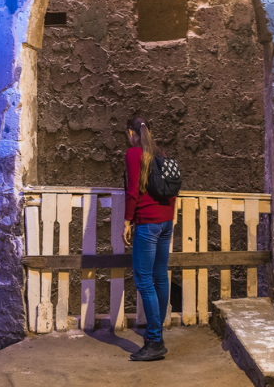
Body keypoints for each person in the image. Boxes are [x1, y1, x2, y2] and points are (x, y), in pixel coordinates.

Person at [123, 116, 175, 362]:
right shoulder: (160, 153)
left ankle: (155, 340)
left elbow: (133, 190)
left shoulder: (134, 154)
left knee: (143, 280)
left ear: (131, 133)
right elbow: (170, 191)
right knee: (160, 276)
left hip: (148, 223)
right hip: (166, 222)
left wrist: (127, 221)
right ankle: (156, 333)